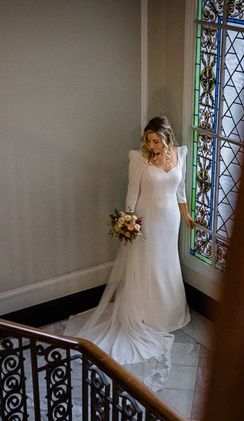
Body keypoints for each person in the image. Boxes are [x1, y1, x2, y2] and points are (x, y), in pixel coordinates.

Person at [65, 115, 196, 389]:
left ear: (167, 138)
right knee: (148, 265)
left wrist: (186, 217)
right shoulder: (140, 160)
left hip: (170, 219)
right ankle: (146, 315)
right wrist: (130, 222)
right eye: (149, 140)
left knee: (167, 263)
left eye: (156, 140)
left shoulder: (179, 156)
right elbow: (131, 195)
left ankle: (169, 313)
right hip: (146, 221)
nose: (152, 145)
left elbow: (181, 192)